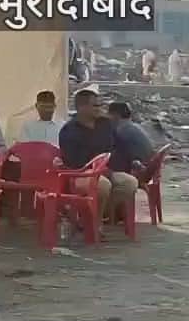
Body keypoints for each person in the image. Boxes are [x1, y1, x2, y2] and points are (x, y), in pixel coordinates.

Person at [58, 89, 138, 222]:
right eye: (95, 106)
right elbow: (72, 161)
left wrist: (114, 167)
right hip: (82, 174)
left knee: (129, 183)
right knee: (102, 185)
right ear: (81, 107)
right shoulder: (69, 131)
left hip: (108, 170)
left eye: (100, 105)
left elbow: (119, 148)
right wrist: (97, 170)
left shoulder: (105, 124)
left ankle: (100, 214)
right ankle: (94, 222)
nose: (99, 109)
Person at [106, 102, 155, 170]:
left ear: (116, 114)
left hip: (138, 168)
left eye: (109, 114)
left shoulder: (121, 131)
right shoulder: (135, 126)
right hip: (148, 164)